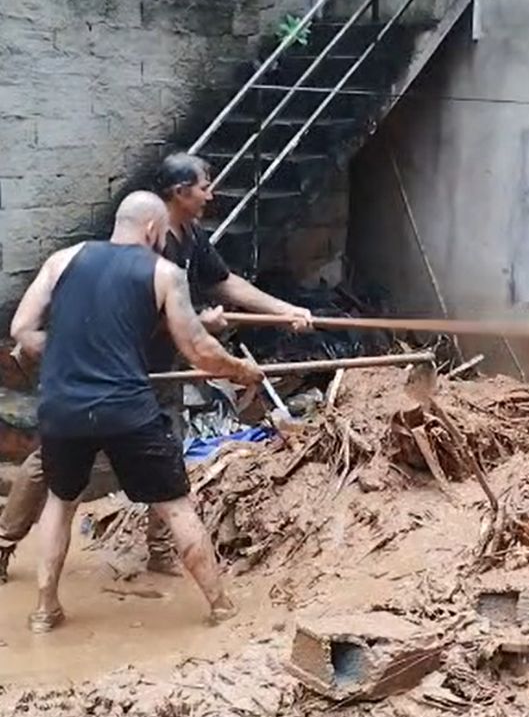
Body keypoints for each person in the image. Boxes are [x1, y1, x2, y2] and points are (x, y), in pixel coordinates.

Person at [0, 152, 313, 582]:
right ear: (179, 193)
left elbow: (224, 282)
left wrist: (284, 310)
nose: (211, 194)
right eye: (205, 186)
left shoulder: (190, 236)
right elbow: (113, 313)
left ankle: (161, 552)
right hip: (108, 371)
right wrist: (195, 327)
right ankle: (4, 540)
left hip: (157, 372)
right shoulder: (136, 241)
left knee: (170, 453)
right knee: (46, 466)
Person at [9, 191, 264, 632]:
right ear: (152, 229)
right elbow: (199, 350)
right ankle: (220, 606)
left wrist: (69, 352)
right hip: (126, 407)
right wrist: (242, 370)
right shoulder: (164, 273)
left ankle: (44, 610)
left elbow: (21, 330)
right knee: (175, 505)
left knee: (61, 502)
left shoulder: (62, 260)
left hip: (62, 406)